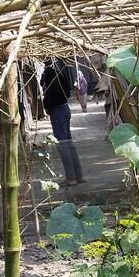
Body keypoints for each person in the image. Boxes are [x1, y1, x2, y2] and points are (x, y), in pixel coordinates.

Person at [39, 57, 87, 185]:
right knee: (69, 143)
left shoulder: (49, 75)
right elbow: (65, 93)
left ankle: (71, 178)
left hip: (57, 111)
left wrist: (47, 106)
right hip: (65, 108)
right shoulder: (61, 74)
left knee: (63, 145)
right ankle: (78, 175)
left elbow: (50, 94)